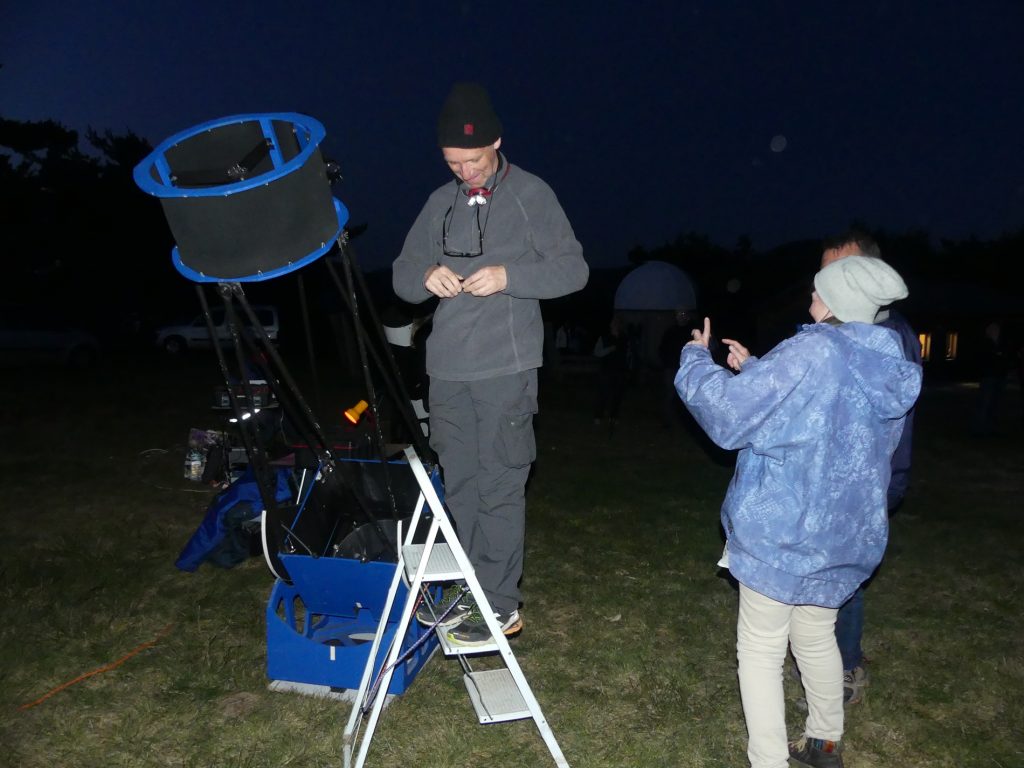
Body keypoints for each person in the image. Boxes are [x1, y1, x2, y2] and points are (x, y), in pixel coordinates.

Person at [674, 256, 922, 768]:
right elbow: (831, 415)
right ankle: (824, 743)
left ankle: (768, 761)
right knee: (814, 634)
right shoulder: (886, 361)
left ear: (833, 302)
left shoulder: (812, 348)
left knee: (762, 649)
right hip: (843, 534)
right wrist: (762, 371)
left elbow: (729, 417)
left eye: (816, 291)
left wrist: (695, 359)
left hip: (783, 530)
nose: (810, 298)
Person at [393, 82, 588, 647]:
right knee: (461, 486)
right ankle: (471, 591)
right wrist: (425, 275)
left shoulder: (532, 195)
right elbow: (403, 274)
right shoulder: (440, 202)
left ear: (497, 144)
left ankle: (499, 605)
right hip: (448, 370)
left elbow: (573, 270)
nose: (465, 173)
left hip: (506, 369)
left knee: (501, 484)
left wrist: (510, 277)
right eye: (453, 163)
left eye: (473, 161)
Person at [819, 230, 922, 707]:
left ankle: (848, 667)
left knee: (846, 574)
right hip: (845, 475)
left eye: (835, 273)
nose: (823, 285)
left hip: (872, 478)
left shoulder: (885, 335)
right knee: (830, 568)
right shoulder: (848, 330)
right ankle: (824, 659)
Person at [592, 314, 630, 428]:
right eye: (614, 322)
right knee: (603, 394)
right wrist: (609, 349)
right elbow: (597, 352)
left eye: (617, 322)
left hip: (620, 370)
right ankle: (598, 416)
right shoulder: (604, 337)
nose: (615, 324)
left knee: (617, 395)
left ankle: (614, 416)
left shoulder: (624, 338)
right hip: (606, 370)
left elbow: (628, 354)